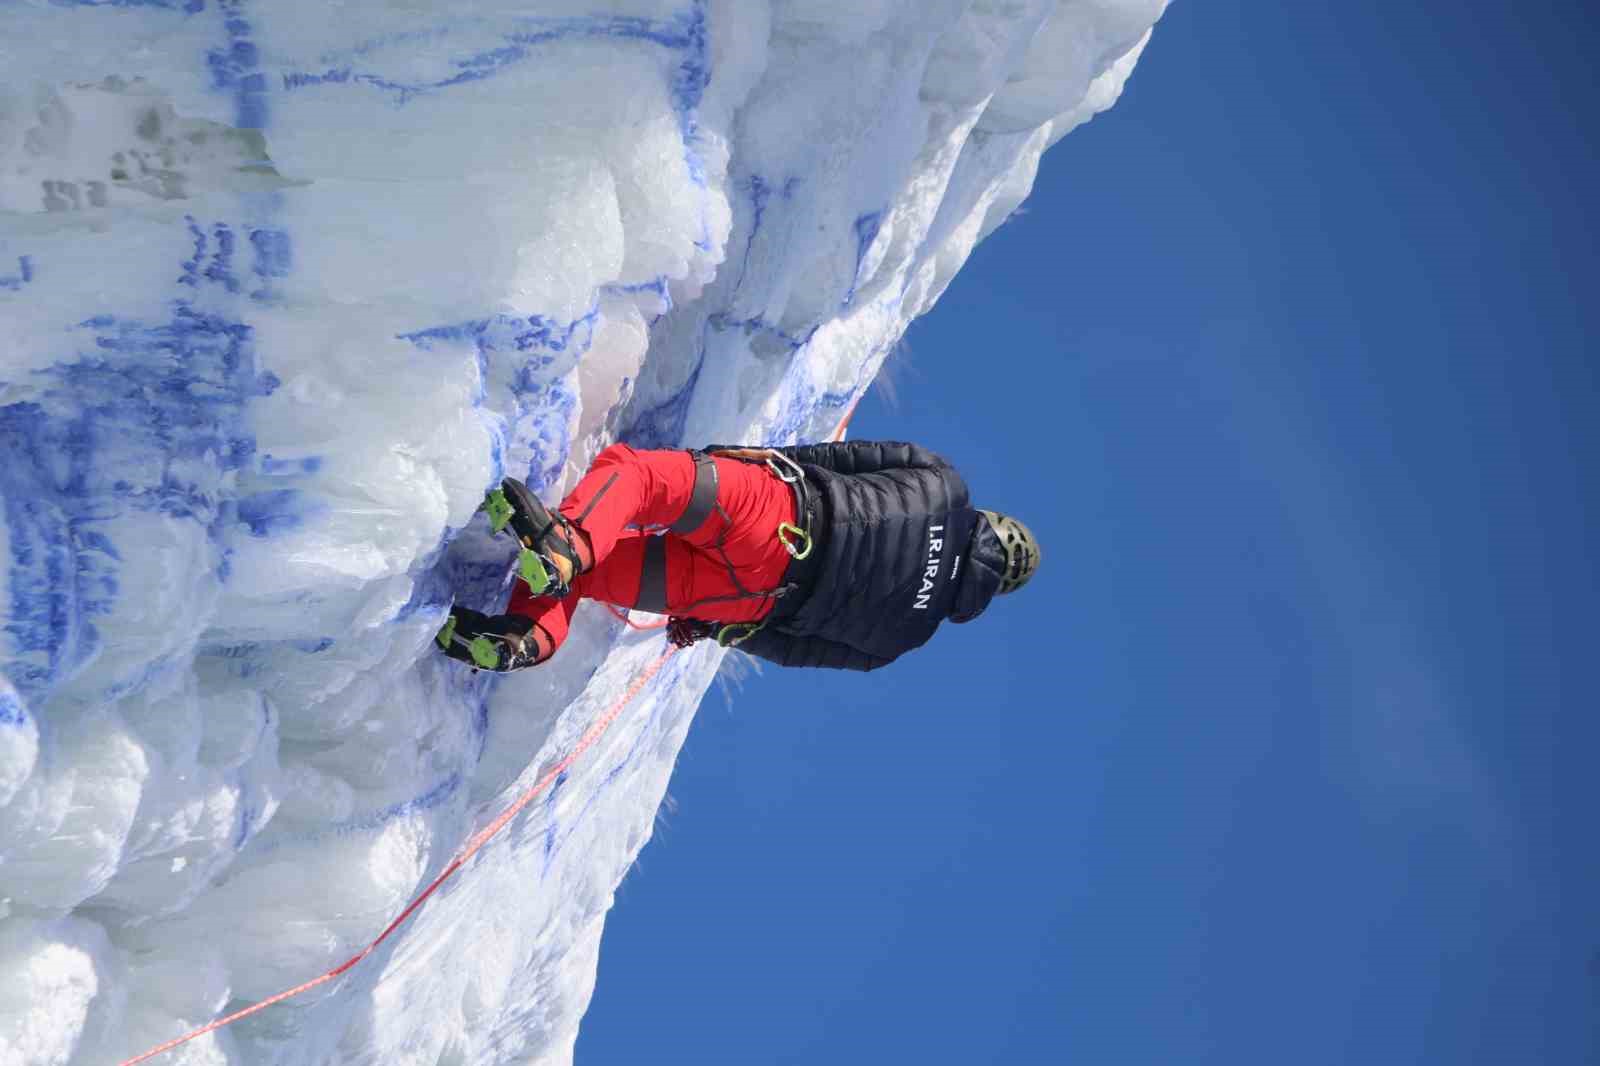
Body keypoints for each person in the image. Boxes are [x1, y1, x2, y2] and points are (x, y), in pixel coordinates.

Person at [435, 441, 1040, 672]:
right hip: (743, 599)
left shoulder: (946, 484)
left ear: (989, 522)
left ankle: (568, 542)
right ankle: (526, 640)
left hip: (780, 518)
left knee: (639, 477)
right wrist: (716, 624)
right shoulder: (904, 639)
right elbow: (792, 650)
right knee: (591, 581)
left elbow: (844, 461)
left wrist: (753, 459)